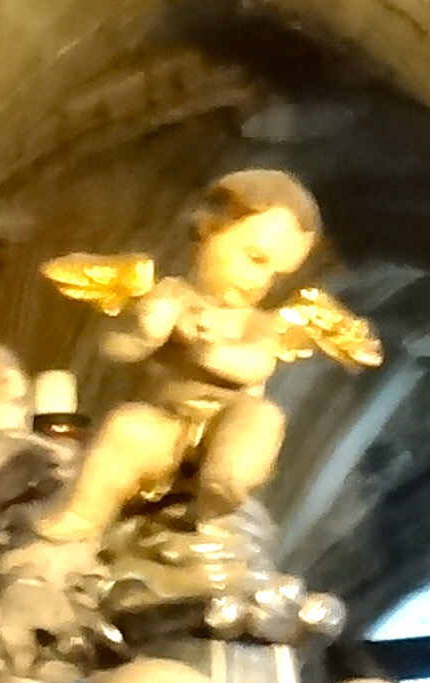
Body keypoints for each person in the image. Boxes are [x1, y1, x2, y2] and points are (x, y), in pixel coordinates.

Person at [34, 166, 380, 550]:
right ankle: (82, 515)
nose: (260, 281)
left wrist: (213, 352)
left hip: (227, 422)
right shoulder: (167, 296)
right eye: (255, 258)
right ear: (210, 228)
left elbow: (258, 365)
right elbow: (115, 348)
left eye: (276, 275)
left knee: (264, 420)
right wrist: (144, 331)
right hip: (168, 425)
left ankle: (220, 493)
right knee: (125, 427)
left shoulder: (255, 322)